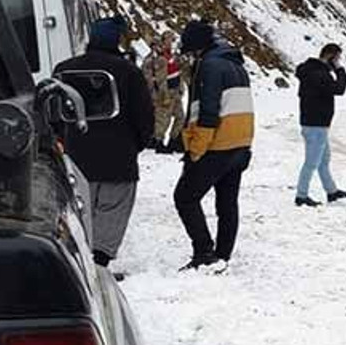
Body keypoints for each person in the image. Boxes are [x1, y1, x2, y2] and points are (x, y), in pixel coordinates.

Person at [54, 16, 155, 269]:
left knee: (80, 210)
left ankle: (78, 261)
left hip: (77, 155)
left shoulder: (64, 69)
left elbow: (52, 110)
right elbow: (144, 115)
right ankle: (100, 262)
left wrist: (59, 139)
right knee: (112, 210)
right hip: (118, 158)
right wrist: (137, 143)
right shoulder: (129, 72)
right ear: (116, 40)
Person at [174, 20, 254, 271]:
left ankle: (204, 253)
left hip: (217, 145)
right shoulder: (236, 64)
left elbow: (208, 112)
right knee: (227, 203)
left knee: (185, 197)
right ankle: (223, 254)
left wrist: (195, 149)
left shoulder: (209, 66)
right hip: (241, 143)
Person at [294, 43, 346, 207]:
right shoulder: (319, 74)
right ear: (330, 57)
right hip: (316, 125)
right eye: (337, 58)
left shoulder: (312, 70)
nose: (338, 62)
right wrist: (340, 70)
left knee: (323, 160)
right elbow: (339, 89)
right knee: (311, 162)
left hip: (316, 124)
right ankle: (301, 195)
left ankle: (331, 191)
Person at [142, 33, 187, 153]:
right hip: (164, 93)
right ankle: (157, 141)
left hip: (175, 91)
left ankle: (174, 139)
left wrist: (181, 87)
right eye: (168, 40)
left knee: (180, 117)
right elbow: (159, 79)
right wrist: (163, 94)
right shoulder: (155, 59)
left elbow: (178, 72)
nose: (170, 43)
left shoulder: (171, 56)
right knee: (162, 119)